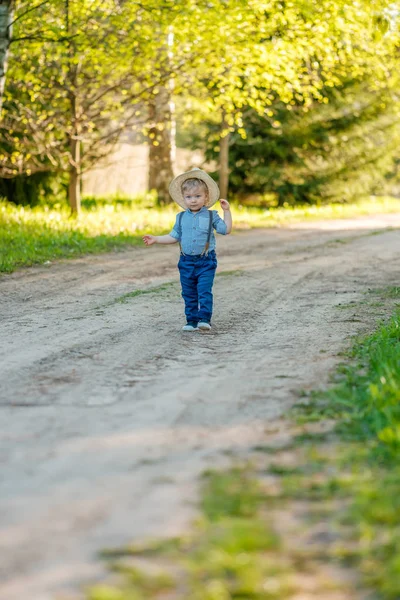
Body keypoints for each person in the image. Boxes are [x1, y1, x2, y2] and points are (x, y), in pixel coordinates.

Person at [143, 168, 232, 331]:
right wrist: (156, 239)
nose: (193, 200)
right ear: (183, 199)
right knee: (189, 292)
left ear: (206, 197)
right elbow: (174, 236)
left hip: (206, 261)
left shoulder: (212, 216)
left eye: (197, 196)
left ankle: (204, 319)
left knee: (204, 290)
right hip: (186, 262)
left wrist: (226, 211)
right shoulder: (181, 217)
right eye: (189, 197)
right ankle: (191, 320)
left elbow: (226, 230)